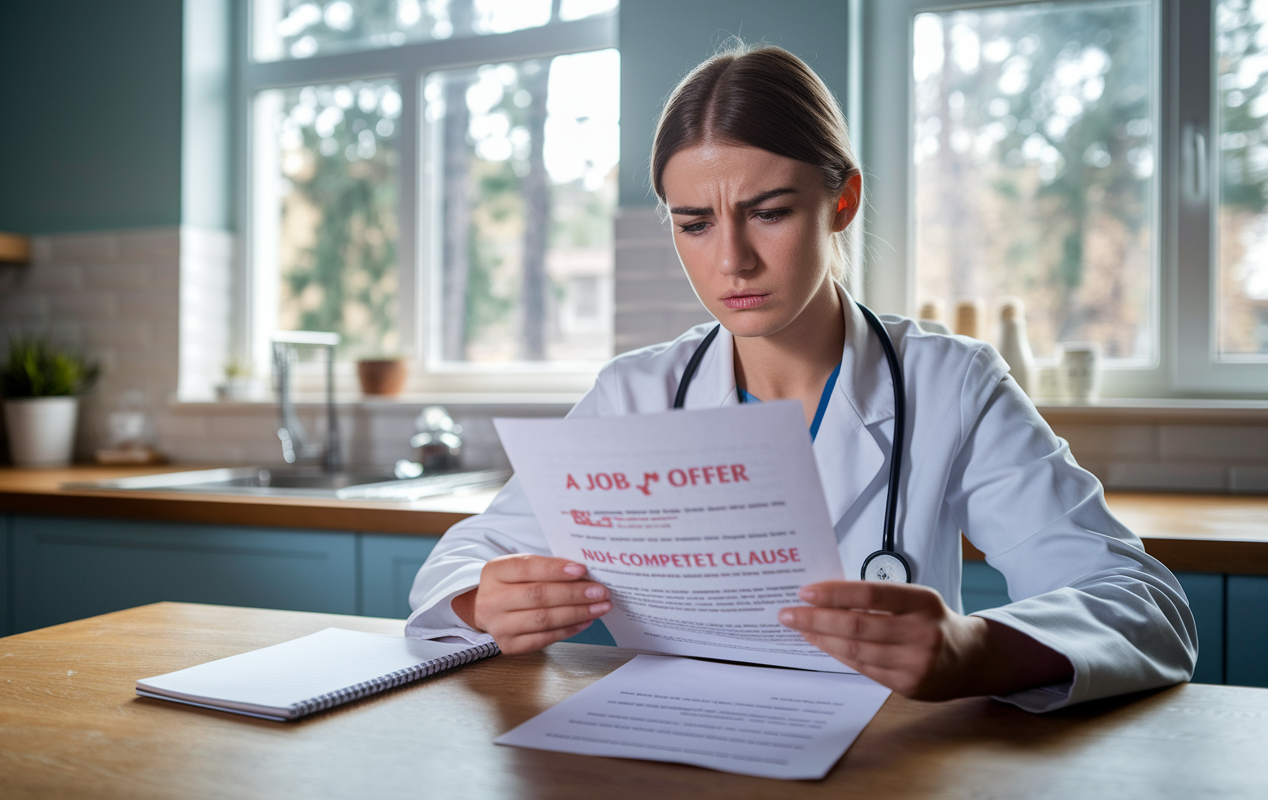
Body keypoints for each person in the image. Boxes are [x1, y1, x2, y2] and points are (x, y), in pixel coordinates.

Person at [406, 43, 1196, 712]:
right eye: (695, 224)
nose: (732, 261)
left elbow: (1145, 608)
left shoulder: (951, 383)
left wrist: (971, 649)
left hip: (882, 764)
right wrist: (488, 597)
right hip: (667, 759)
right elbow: (464, 559)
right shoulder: (632, 395)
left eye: (770, 211)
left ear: (842, 199)